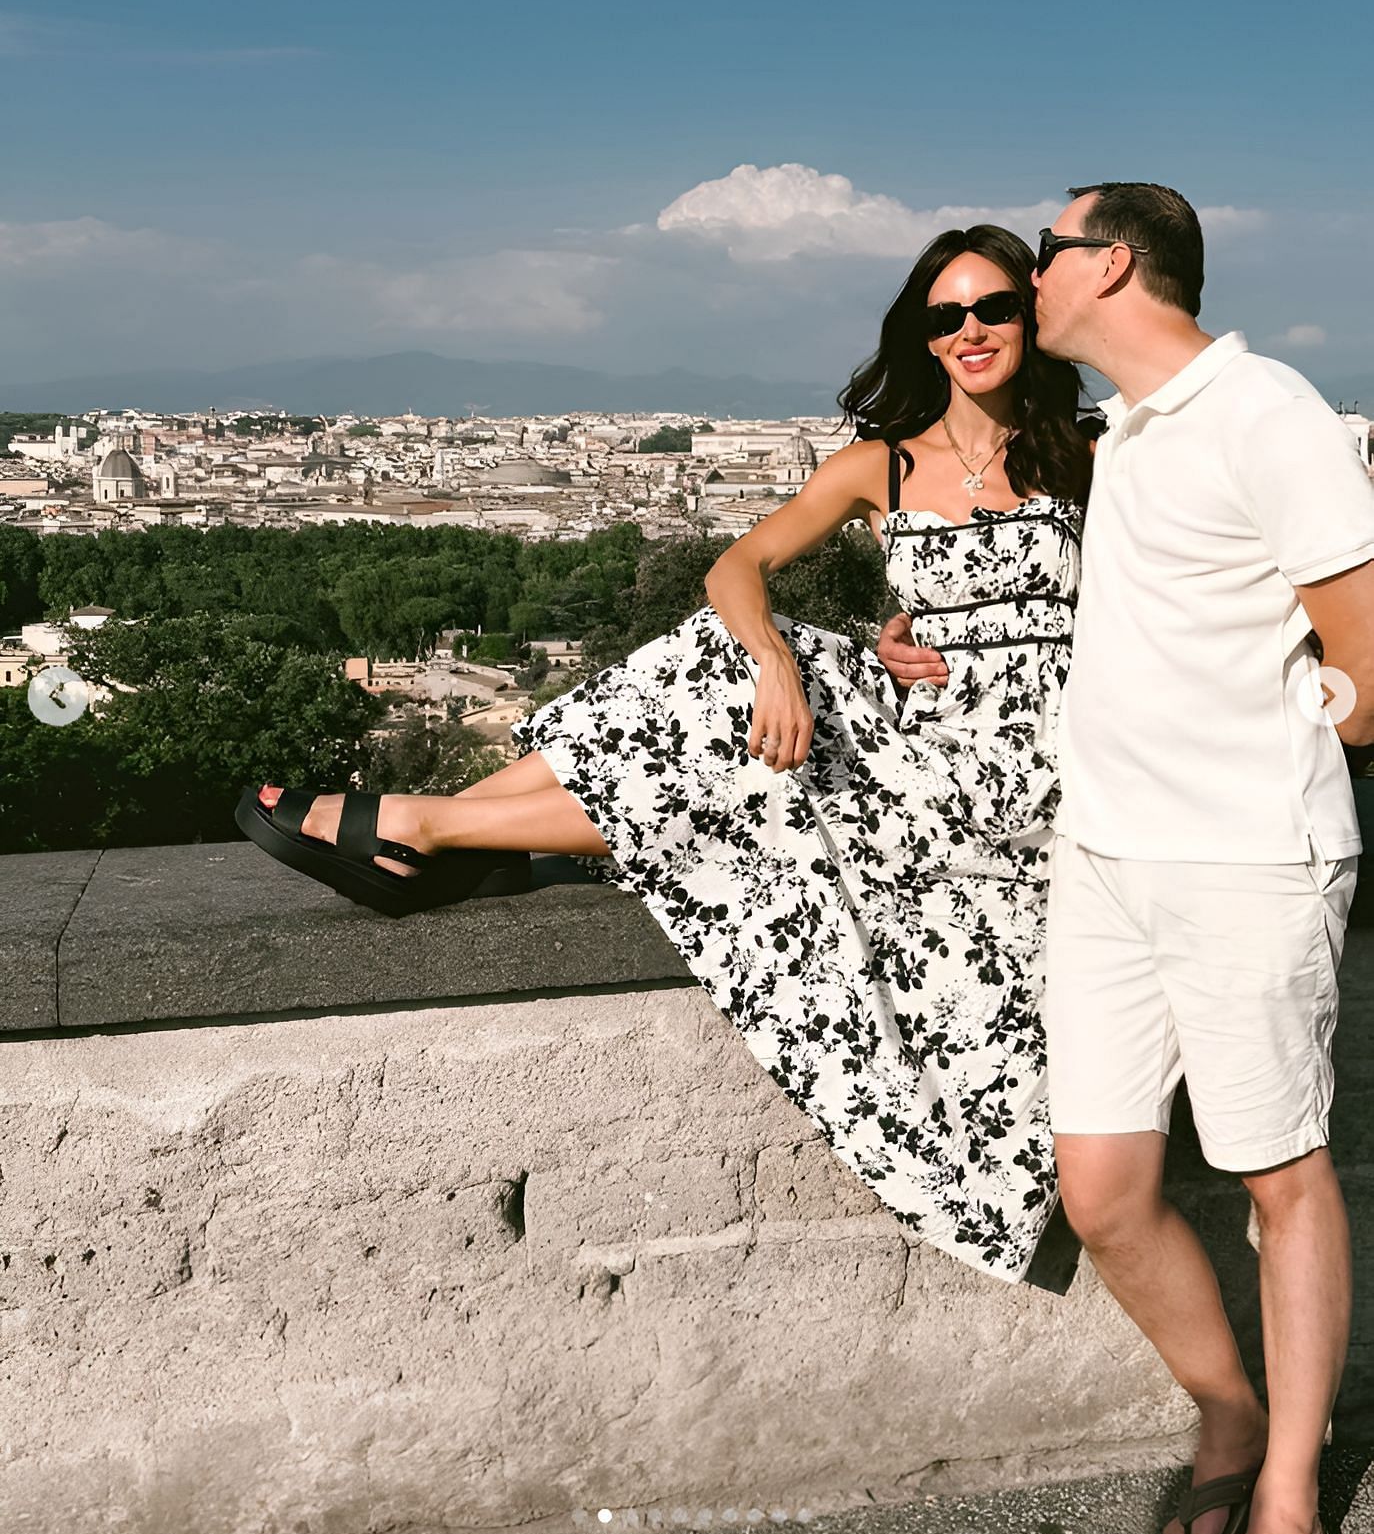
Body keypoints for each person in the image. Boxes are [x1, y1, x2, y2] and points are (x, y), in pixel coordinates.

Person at [236, 222, 1094, 1284]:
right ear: (919, 337)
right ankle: (429, 833)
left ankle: (428, 830)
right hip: (923, 728)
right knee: (717, 663)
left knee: (737, 748)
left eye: (994, 308)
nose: (971, 330)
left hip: (1030, 770)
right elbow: (736, 568)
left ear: (1033, 317)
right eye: (944, 315)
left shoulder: (1094, 458)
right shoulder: (883, 465)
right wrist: (776, 655)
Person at [876, 183, 1374, 1534]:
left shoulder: (1270, 415)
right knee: (1099, 1189)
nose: (1024, 285)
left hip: (1242, 857)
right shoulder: (1123, 435)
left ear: (1109, 266)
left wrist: (1255, 738)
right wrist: (903, 639)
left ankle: (1285, 1484)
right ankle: (1230, 1410)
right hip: (1101, 860)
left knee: (1281, 1173)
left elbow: (1366, 668)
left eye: (1041, 259)